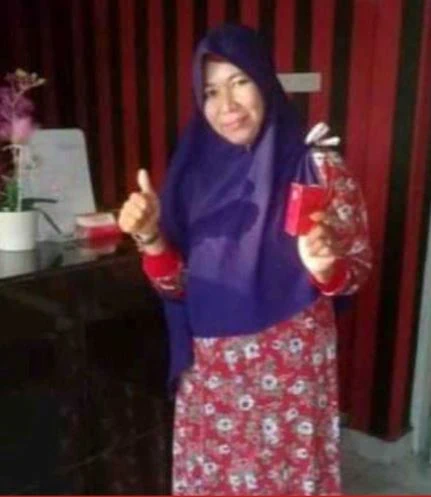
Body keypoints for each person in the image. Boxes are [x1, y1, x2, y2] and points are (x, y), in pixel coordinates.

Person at [118, 24, 371, 496]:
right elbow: (177, 288)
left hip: (289, 377)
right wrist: (151, 238)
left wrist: (324, 267)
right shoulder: (190, 179)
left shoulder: (316, 166)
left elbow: (355, 271)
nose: (227, 105)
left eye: (240, 82)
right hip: (213, 380)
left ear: (265, 81)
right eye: (211, 91)